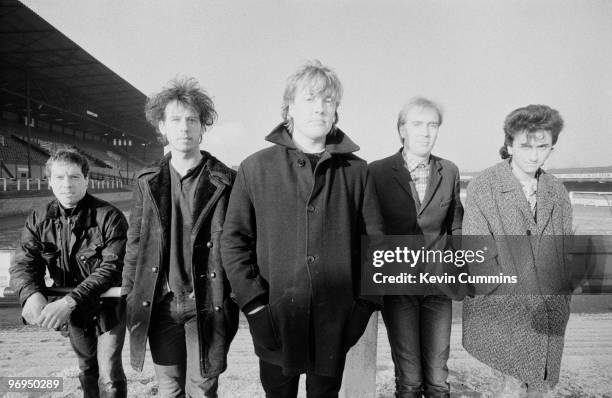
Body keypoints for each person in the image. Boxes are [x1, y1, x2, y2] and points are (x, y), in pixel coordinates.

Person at [221, 60, 384, 398]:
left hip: (336, 320)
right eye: (310, 99)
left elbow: (377, 246)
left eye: (328, 101)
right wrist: (253, 306)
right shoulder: (254, 168)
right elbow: (233, 242)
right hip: (275, 317)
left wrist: (364, 307)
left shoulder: (357, 171)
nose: (320, 109)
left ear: (336, 110)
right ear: (289, 108)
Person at [121, 77, 239, 397]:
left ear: (203, 127)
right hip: (160, 304)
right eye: (175, 119)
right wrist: (130, 297)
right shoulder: (147, 181)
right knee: (169, 389)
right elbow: (135, 244)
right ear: (162, 126)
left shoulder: (226, 182)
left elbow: (239, 245)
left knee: (202, 390)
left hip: (207, 301)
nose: (184, 127)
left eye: (192, 120)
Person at [462, 104, 572, 397]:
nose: (534, 155)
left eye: (543, 146)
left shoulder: (557, 191)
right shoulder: (484, 186)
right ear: (510, 144)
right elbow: (477, 255)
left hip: (548, 314)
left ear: (552, 146)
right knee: (511, 388)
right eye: (525, 145)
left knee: (543, 389)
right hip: (504, 312)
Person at [9, 149, 128, 398]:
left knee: (109, 376)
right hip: (74, 314)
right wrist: (30, 293)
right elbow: (23, 263)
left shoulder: (110, 217)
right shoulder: (38, 218)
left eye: (74, 177)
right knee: (87, 371)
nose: (67, 184)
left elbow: (113, 269)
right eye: (60, 178)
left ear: (87, 179)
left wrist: (69, 300)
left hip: (108, 308)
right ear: (50, 181)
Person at [369, 97, 463, 398]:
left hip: (438, 288)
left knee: (438, 377)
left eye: (432, 125)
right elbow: (371, 229)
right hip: (399, 289)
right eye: (417, 124)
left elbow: (455, 225)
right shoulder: (377, 172)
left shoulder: (448, 171)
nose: (426, 132)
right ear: (402, 130)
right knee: (409, 379)